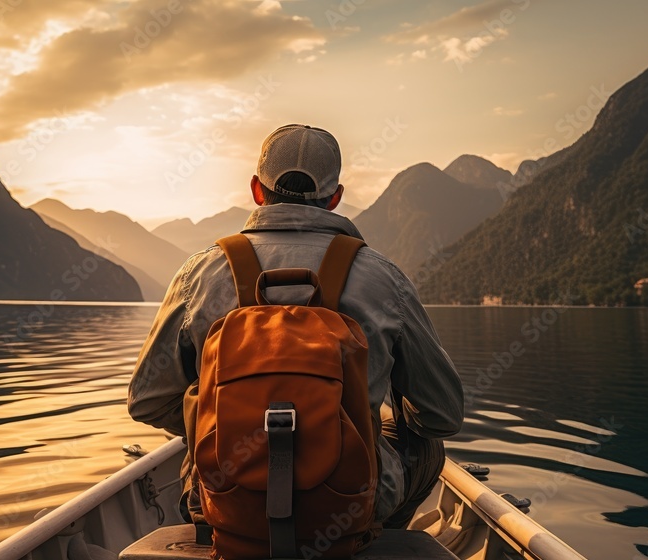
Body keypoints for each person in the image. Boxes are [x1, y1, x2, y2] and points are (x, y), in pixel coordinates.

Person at [128, 124, 464, 529]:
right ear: (336, 198)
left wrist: (222, 423)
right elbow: (442, 414)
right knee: (426, 447)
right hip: (345, 508)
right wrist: (362, 419)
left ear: (256, 189)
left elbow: (146, 400)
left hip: (221, 501)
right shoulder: (382, 277)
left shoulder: (199, 273)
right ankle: (368, 540)